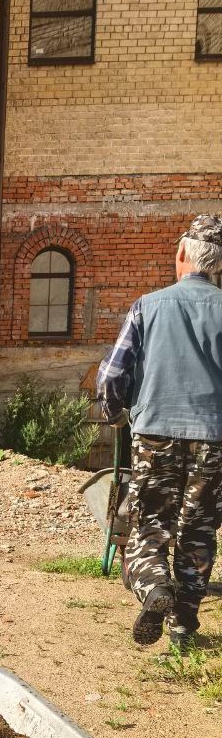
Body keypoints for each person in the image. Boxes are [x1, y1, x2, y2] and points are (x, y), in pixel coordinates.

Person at [97, 214, 222, 648]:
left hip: (154, 436)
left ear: (183, 254)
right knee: (198, 532)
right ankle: (184, 624)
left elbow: (113, 374)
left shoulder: (148, 305)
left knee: (149, 524)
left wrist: (116, 412)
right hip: (214, 440)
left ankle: (154, 591)